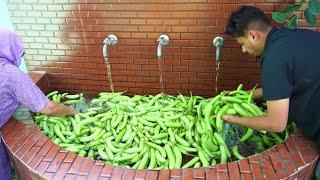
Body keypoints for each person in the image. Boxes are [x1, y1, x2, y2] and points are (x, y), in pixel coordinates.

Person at [223, 5, 320, 178]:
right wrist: (248, 94)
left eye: (242, 44)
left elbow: (276, 123)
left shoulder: (274, 59)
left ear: (252, 35)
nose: (244, 50)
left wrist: (234, 119)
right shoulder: (292, 37)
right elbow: (286, 84)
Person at [0, 28, 76, 179]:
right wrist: (71, 110)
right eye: (19, 50)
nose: (21, 54)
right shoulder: (9, 74)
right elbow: (48, 108)